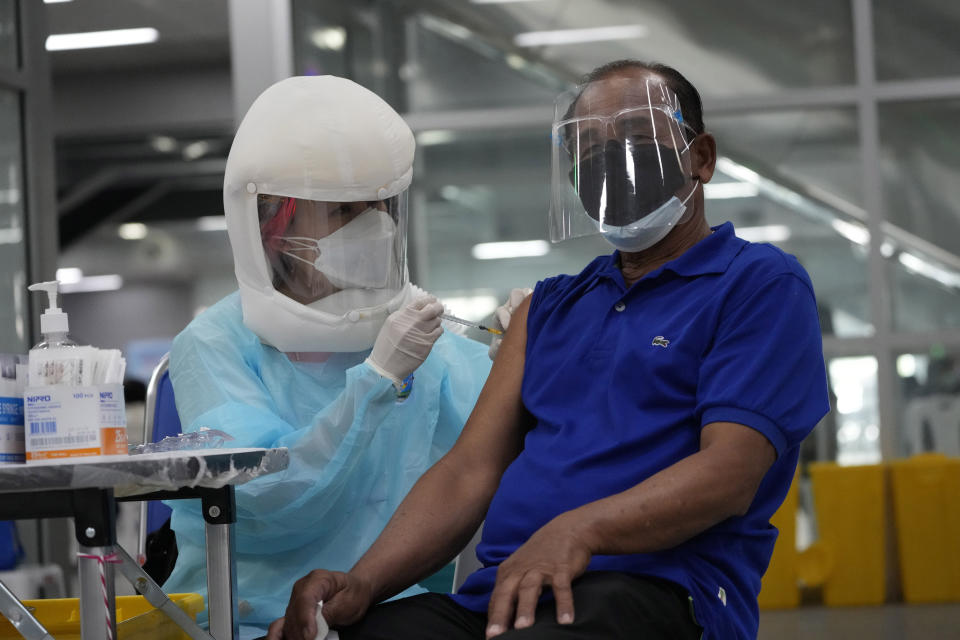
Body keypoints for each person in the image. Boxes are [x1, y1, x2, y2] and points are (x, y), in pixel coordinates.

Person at [269, 60, 830, 640]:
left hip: (657, 589)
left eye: (637, 138)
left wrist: (579, 531)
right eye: (588, 147)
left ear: (701, 158)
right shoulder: (549, 309)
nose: (611, 160)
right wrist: (363, 583)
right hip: (503, 593)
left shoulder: (757, 284)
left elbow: (729, 472)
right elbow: (469, 471)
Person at [161, 75, 495, 636]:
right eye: (344, 211)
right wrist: (376, 381)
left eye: (381, 207)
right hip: (239, 615)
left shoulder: (409, 333)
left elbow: (512, 433)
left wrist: (535, 347)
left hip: (383, 612)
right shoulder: (217, 343)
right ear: (274, 226)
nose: (376, 229)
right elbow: (267, 503)